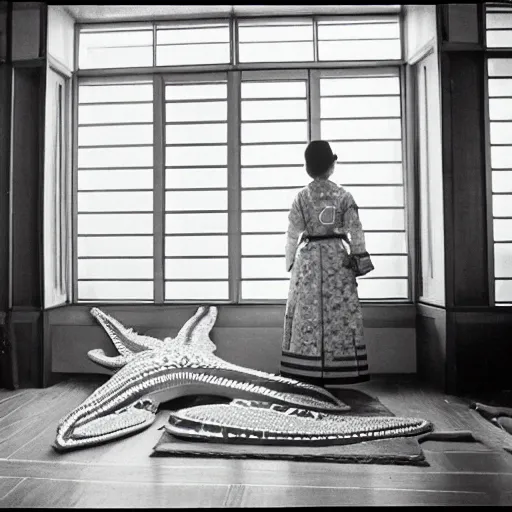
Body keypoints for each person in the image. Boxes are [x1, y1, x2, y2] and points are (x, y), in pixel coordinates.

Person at [280, 140, 374, 389]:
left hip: (309, 259)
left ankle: (306, 367)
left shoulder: (302, 197)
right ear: (331, 165)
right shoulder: (343, 196)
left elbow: (292, 232)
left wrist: (290, 261)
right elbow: (356, 229)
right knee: (339, 313)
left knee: (308, 313)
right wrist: (359, 258)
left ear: (308, 167)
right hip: (337, 258)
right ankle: (338, 368)